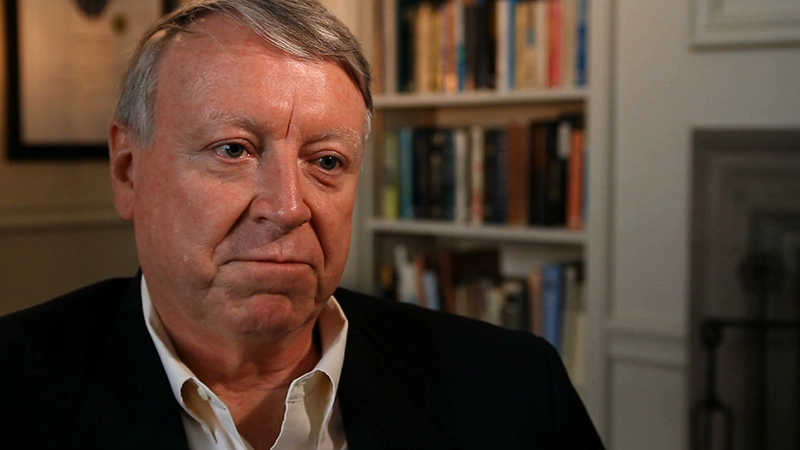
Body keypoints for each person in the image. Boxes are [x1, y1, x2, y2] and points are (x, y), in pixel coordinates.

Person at [0, 0, 604, 448]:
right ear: (128, 170)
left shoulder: (515, 388)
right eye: (233, 150)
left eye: (327, 161)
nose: (289, 207)